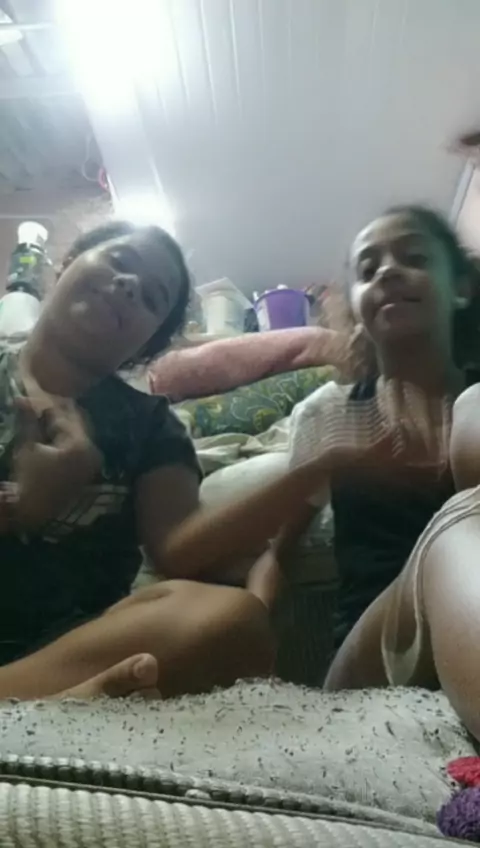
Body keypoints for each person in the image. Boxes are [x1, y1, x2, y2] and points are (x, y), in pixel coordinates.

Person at [158, 205, 480, 697]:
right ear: (357, 310)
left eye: (414, 257)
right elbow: (279, 553)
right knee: (448, 546)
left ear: (461, 288)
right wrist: (255, 641)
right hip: (376, 652)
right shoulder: (331, 412)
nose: (388, 272)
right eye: (368, 270)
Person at [0, 220, 274, 700]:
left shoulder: (151, 426)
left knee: (230, 620)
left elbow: (178, 548)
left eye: (151, 298)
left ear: (147, 345)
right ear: (67, 264)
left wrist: (309, 476)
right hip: (68, 691)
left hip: (61, 655)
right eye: (119, 261)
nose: (128, 285)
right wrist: (24, 507)